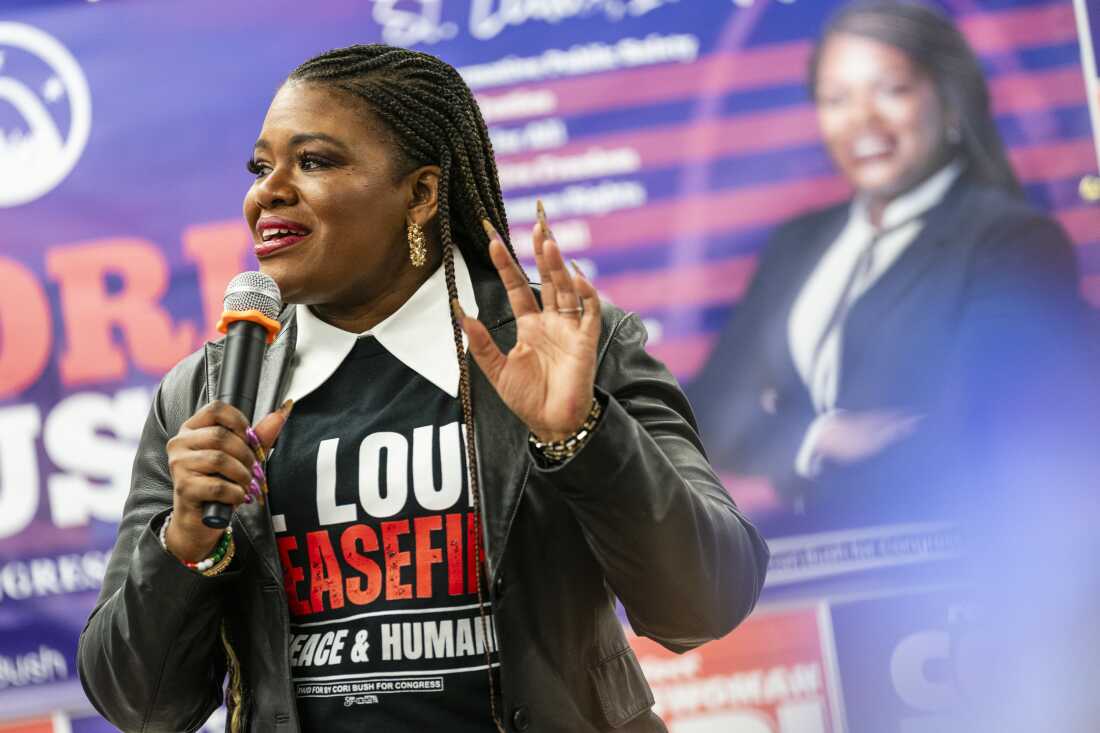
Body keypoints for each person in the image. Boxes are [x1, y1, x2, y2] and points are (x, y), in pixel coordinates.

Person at [77, 44, 768, 732]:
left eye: (314, 161)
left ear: (421, 193)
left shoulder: (566, 349)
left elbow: (705, 602)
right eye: (262, 167)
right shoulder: (202, 395)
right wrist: (185, 544)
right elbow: (141, 703)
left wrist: (582, 434)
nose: (268, 191)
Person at [689, 0, 1083, 525]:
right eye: (836, 99)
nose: (862, 121)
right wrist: (816, 436)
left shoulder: (1013, 243)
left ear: (950, 104)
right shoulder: (797, 243)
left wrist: (777, 424)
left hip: (952, 563)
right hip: (823, 563)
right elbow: (707, 412)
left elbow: (981, 426)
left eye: (892, 90)